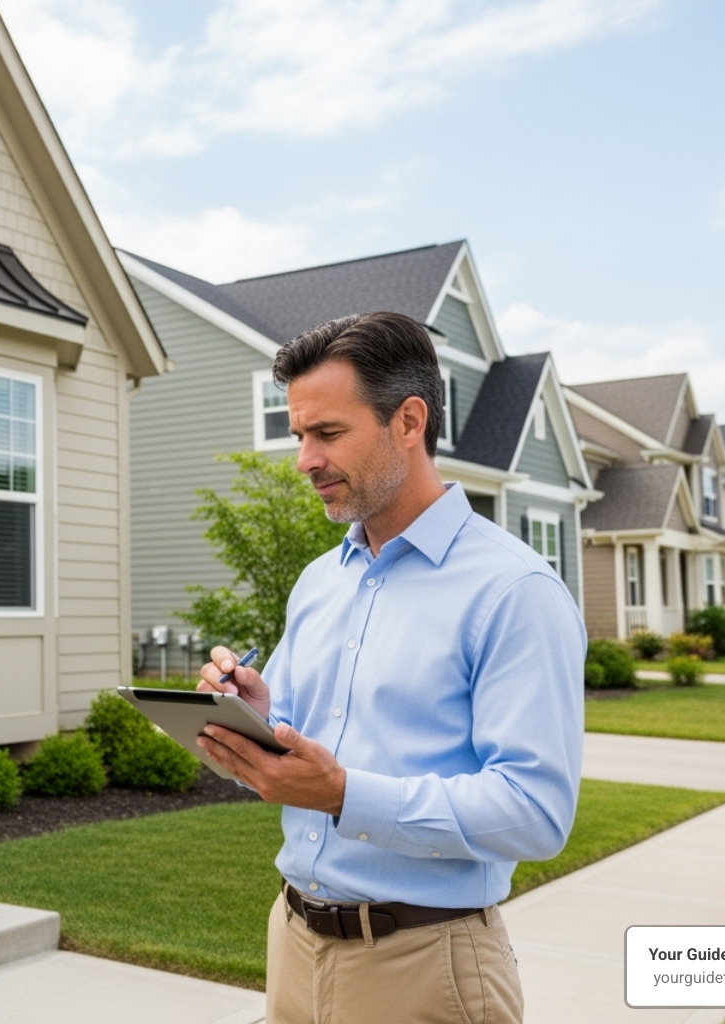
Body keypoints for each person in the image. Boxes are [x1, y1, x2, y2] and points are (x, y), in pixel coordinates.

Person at [196, 311, 584, 1024]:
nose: (304, 459)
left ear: (409, 421)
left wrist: (345, 793)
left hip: (425, 967)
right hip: (292, 944)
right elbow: (297, 739)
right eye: (299, 436)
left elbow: (535, 813)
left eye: (328, 434)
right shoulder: (321, 580)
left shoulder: (513, 591)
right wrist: (249, 713)